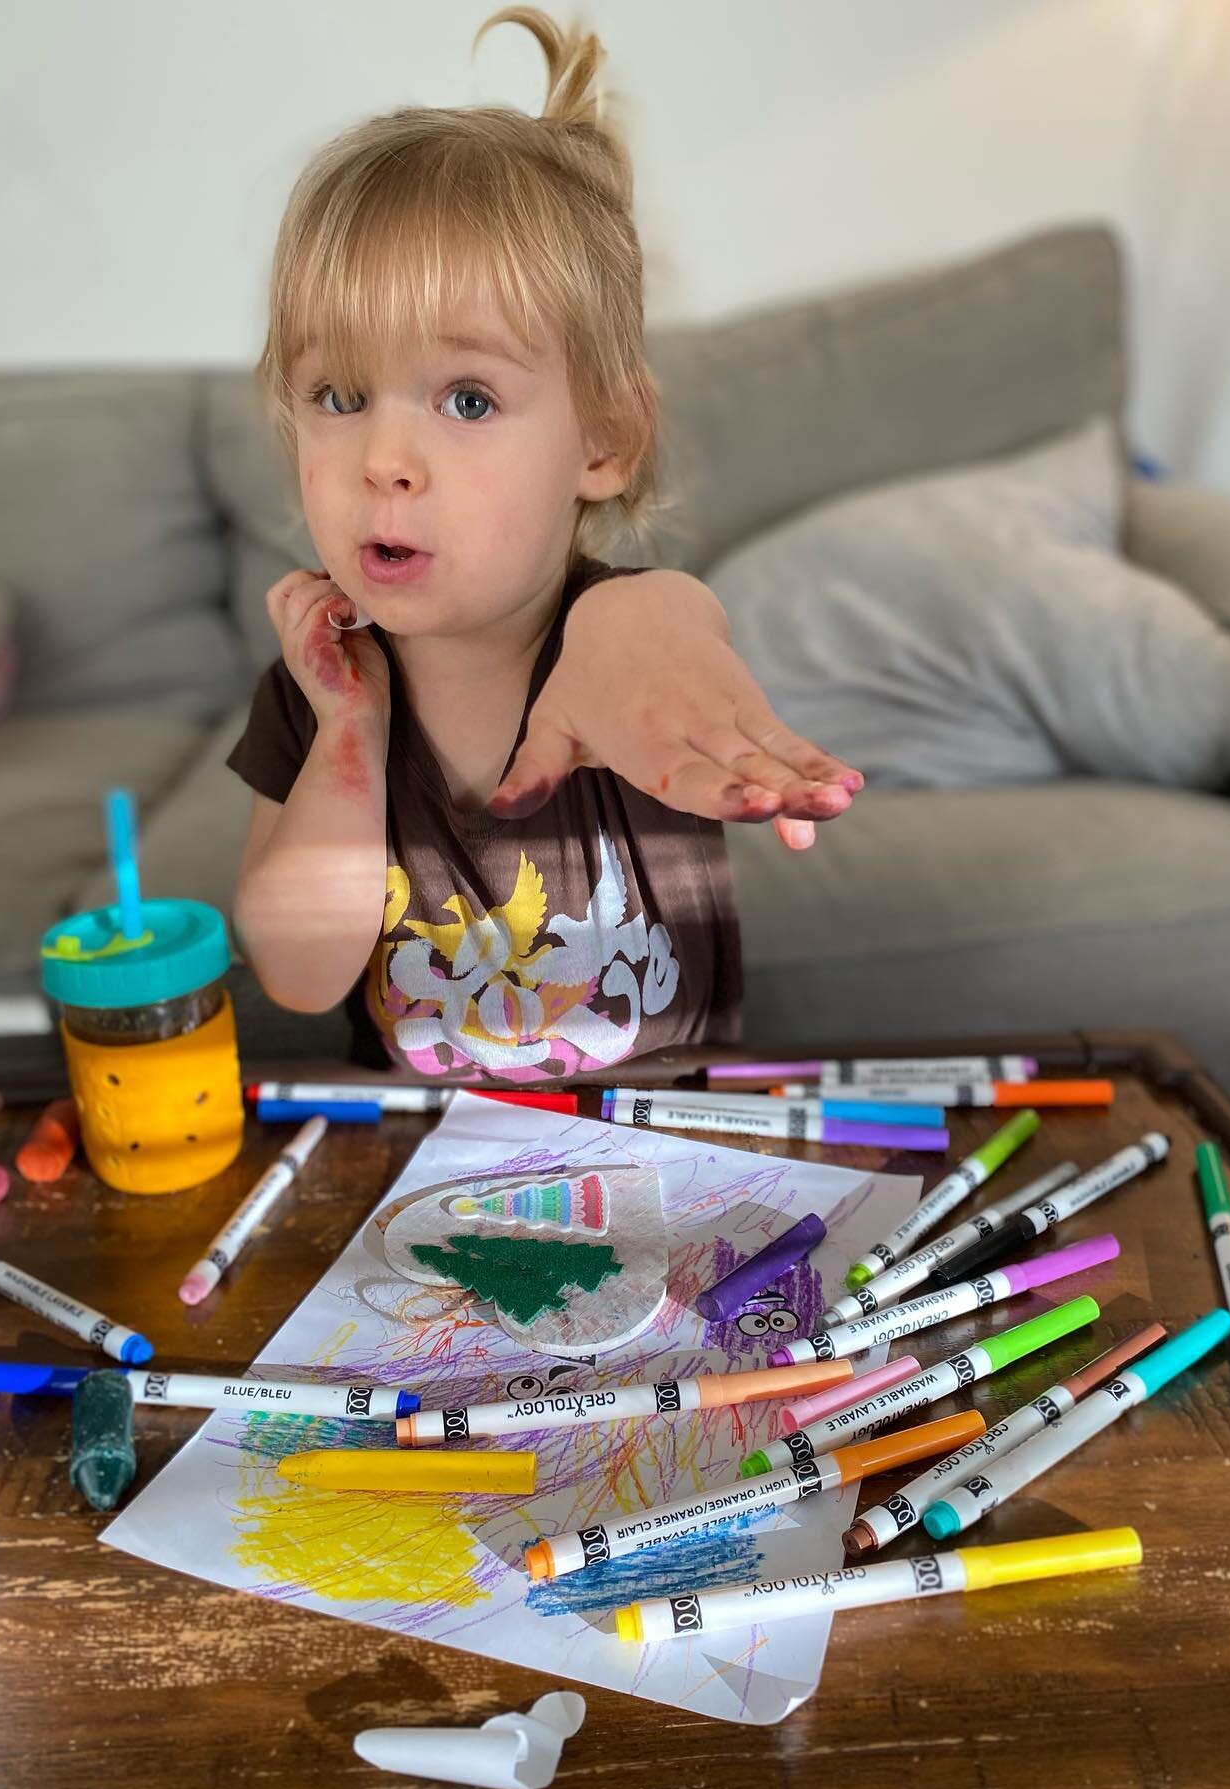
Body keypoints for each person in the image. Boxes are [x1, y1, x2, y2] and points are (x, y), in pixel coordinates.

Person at [228, 6, 862, 1083]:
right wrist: (347, 727)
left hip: (678, 1154)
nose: (385, 457)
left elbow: (673, 622)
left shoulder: (627, 636)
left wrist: (637, 614)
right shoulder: (315, 693)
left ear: (604, 442)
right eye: (338, 394)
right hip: (429, 1185)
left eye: (467, 401)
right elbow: (298, 973)